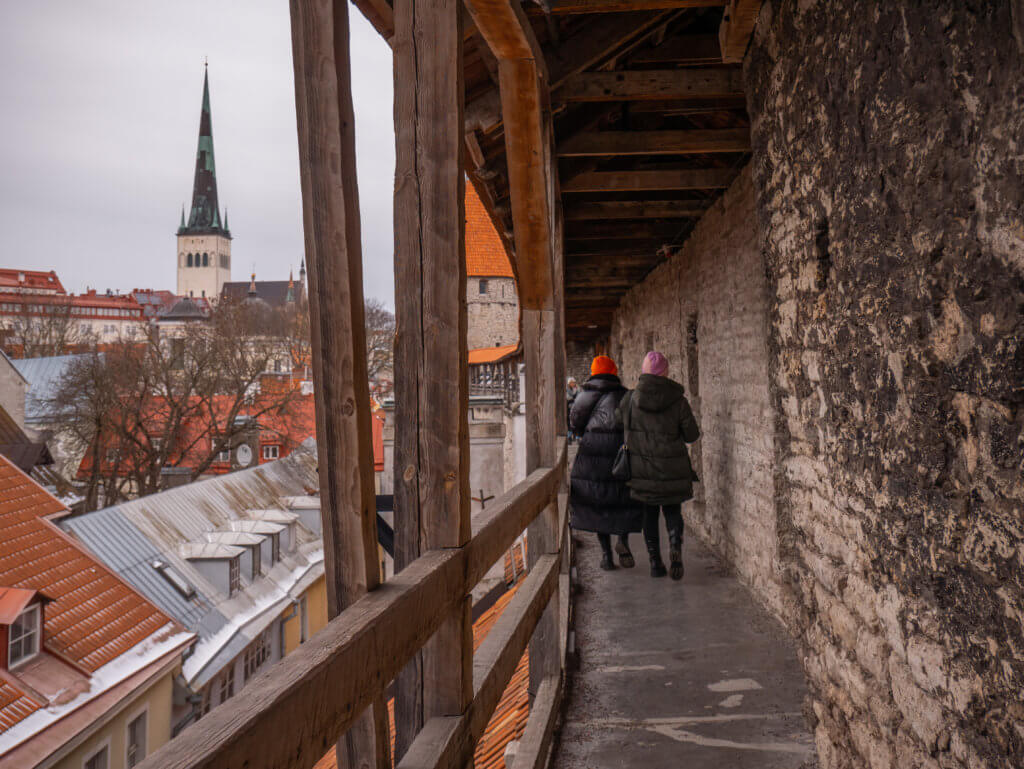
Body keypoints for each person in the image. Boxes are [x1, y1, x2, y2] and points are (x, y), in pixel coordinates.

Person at [617, 351, 700, 580]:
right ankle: (674, 544)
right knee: (673, 510)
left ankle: (656, 563)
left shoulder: (631, 400)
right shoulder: (678, 401)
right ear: (665, 372)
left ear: (643, 372)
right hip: (673, 469)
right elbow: (691, 435)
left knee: (649, 515)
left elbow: (617, 421)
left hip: (642, 470)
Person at [569, 355, 642, 571]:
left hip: (593, 454)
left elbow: (575, 422)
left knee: (598, 501)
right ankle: (623, 540)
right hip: (621, 452)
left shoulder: (585, 396)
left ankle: (606, 556)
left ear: (593, 372)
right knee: (622, 498)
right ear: (614, 372)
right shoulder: (625, 394)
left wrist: (586, 434)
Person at [565, 377, 580, 443]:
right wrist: (573, 399)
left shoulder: (577, 389)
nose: (573, 383)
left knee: (576, 422)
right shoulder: (566, 390)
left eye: (573, 382)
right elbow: (567, 398)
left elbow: (579, 397)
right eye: (571, 382)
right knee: (569, 422)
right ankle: (569, 437)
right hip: (568, 407)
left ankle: (577, 437)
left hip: (576, 407)